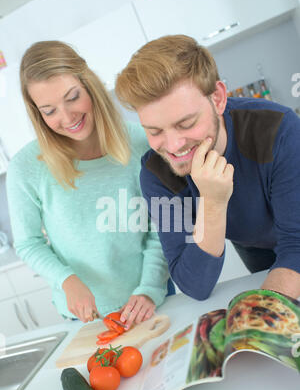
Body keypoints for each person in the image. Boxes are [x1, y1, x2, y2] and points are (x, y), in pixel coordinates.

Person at [115, 34, 300, 301]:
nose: (174, 145)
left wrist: (257, 322)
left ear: (218, 98)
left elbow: (296, 246)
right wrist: (212, 203)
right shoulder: (157, 174)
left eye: (186, 123)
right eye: (154, 131)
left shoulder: (278, 130)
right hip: (251, 241)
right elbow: (194, 285)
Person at [6, 40, 171, 327]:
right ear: (38, 114)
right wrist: (66, 280)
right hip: (85, 317)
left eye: (72, 97)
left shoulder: (142, 143)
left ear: (89, 85)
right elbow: (29, 243)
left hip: (150, 299)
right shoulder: (26, 167)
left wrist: (149, 289)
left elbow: (163, 226)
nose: (67, 117)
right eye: (49, 110)